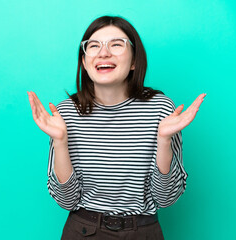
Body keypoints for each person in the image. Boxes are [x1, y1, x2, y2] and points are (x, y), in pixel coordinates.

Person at [27, 15, 206, 240]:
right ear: (84, 62)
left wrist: (164, 141)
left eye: (116, 44)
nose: (104, 53)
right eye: (93, 46)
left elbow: (166, 198)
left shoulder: (161, 109)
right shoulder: (65, 114)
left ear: (134, 61)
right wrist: (61, 142)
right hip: (82, 231)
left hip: (143, 232)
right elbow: (67, 201)